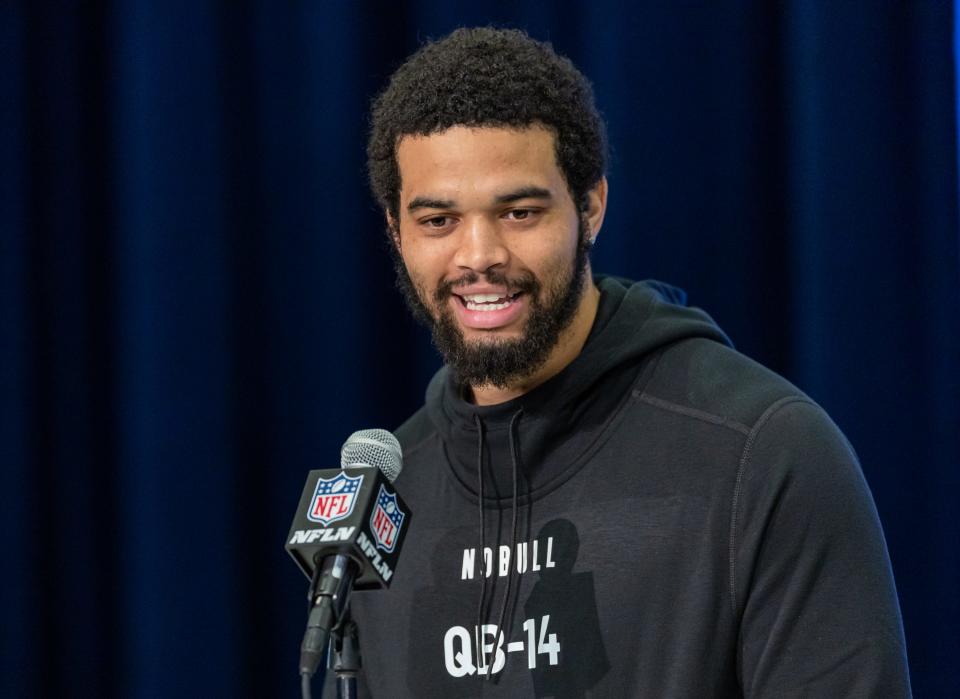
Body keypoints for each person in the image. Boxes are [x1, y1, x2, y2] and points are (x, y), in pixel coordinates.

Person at [348, 27, 911, 697]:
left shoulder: (762, 454)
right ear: (395, 231)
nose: (478, 255)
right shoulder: (386, 498)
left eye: (520, 211)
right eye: (438, 221)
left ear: (591, 207)